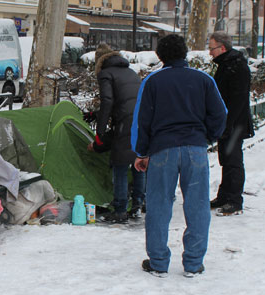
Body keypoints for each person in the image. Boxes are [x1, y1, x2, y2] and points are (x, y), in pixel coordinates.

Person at [131, 34, 227, 277]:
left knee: (159, 205)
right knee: (197, 206)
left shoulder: (153, 81)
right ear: (185, 53)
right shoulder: (203, 79)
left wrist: (141, 152)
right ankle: (194, 263)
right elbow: (220, 113)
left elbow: (142, 121)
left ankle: (159, 261)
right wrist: (208, 137)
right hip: (195, 148)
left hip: (163, 150)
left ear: (160, 56)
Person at [87, 43, 146, 224]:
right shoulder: (130, 72)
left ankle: (120, 209)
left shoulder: (105, 73)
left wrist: (100, 131)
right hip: (140, 120)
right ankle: (138, 202)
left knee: (119, 163)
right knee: (138, 161)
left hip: (125, 122)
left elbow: (107, 102)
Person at [208, 32, 255, 216]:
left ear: (222, 48)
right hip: (228, 122)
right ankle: (225, 195)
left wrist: (228, 124)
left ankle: (234, 200)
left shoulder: (236, 66)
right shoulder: (227, 64)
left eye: (212, 48)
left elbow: (237, 99)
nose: (210, 53)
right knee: (226, 159)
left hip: (235, 124)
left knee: (233, 161)